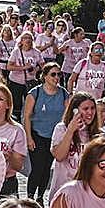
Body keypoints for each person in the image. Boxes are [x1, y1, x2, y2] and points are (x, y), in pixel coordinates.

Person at [22, 63, 68, 199]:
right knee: (37, 168)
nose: (56, 77)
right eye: (53, 74)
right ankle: (30, 196)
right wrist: (29, 138)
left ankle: (40, 196)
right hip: (37, 135)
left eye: (59, 74)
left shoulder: (64, 94)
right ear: (45, 76)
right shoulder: (35, 93)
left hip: (54, 137)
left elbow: (68, 114)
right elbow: (27, 117)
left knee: (47, 167)